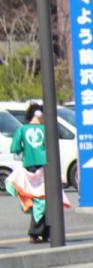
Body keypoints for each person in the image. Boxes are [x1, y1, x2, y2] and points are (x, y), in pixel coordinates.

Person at [8, 104, 56, 243]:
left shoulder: (22, 129)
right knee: (45, 200)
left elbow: (15, 148)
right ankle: (37, 232)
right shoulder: (46, 130)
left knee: (36, 199)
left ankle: (42, 231)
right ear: (39, 115)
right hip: (45, 166)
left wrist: (25, 151)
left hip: (29, 167)